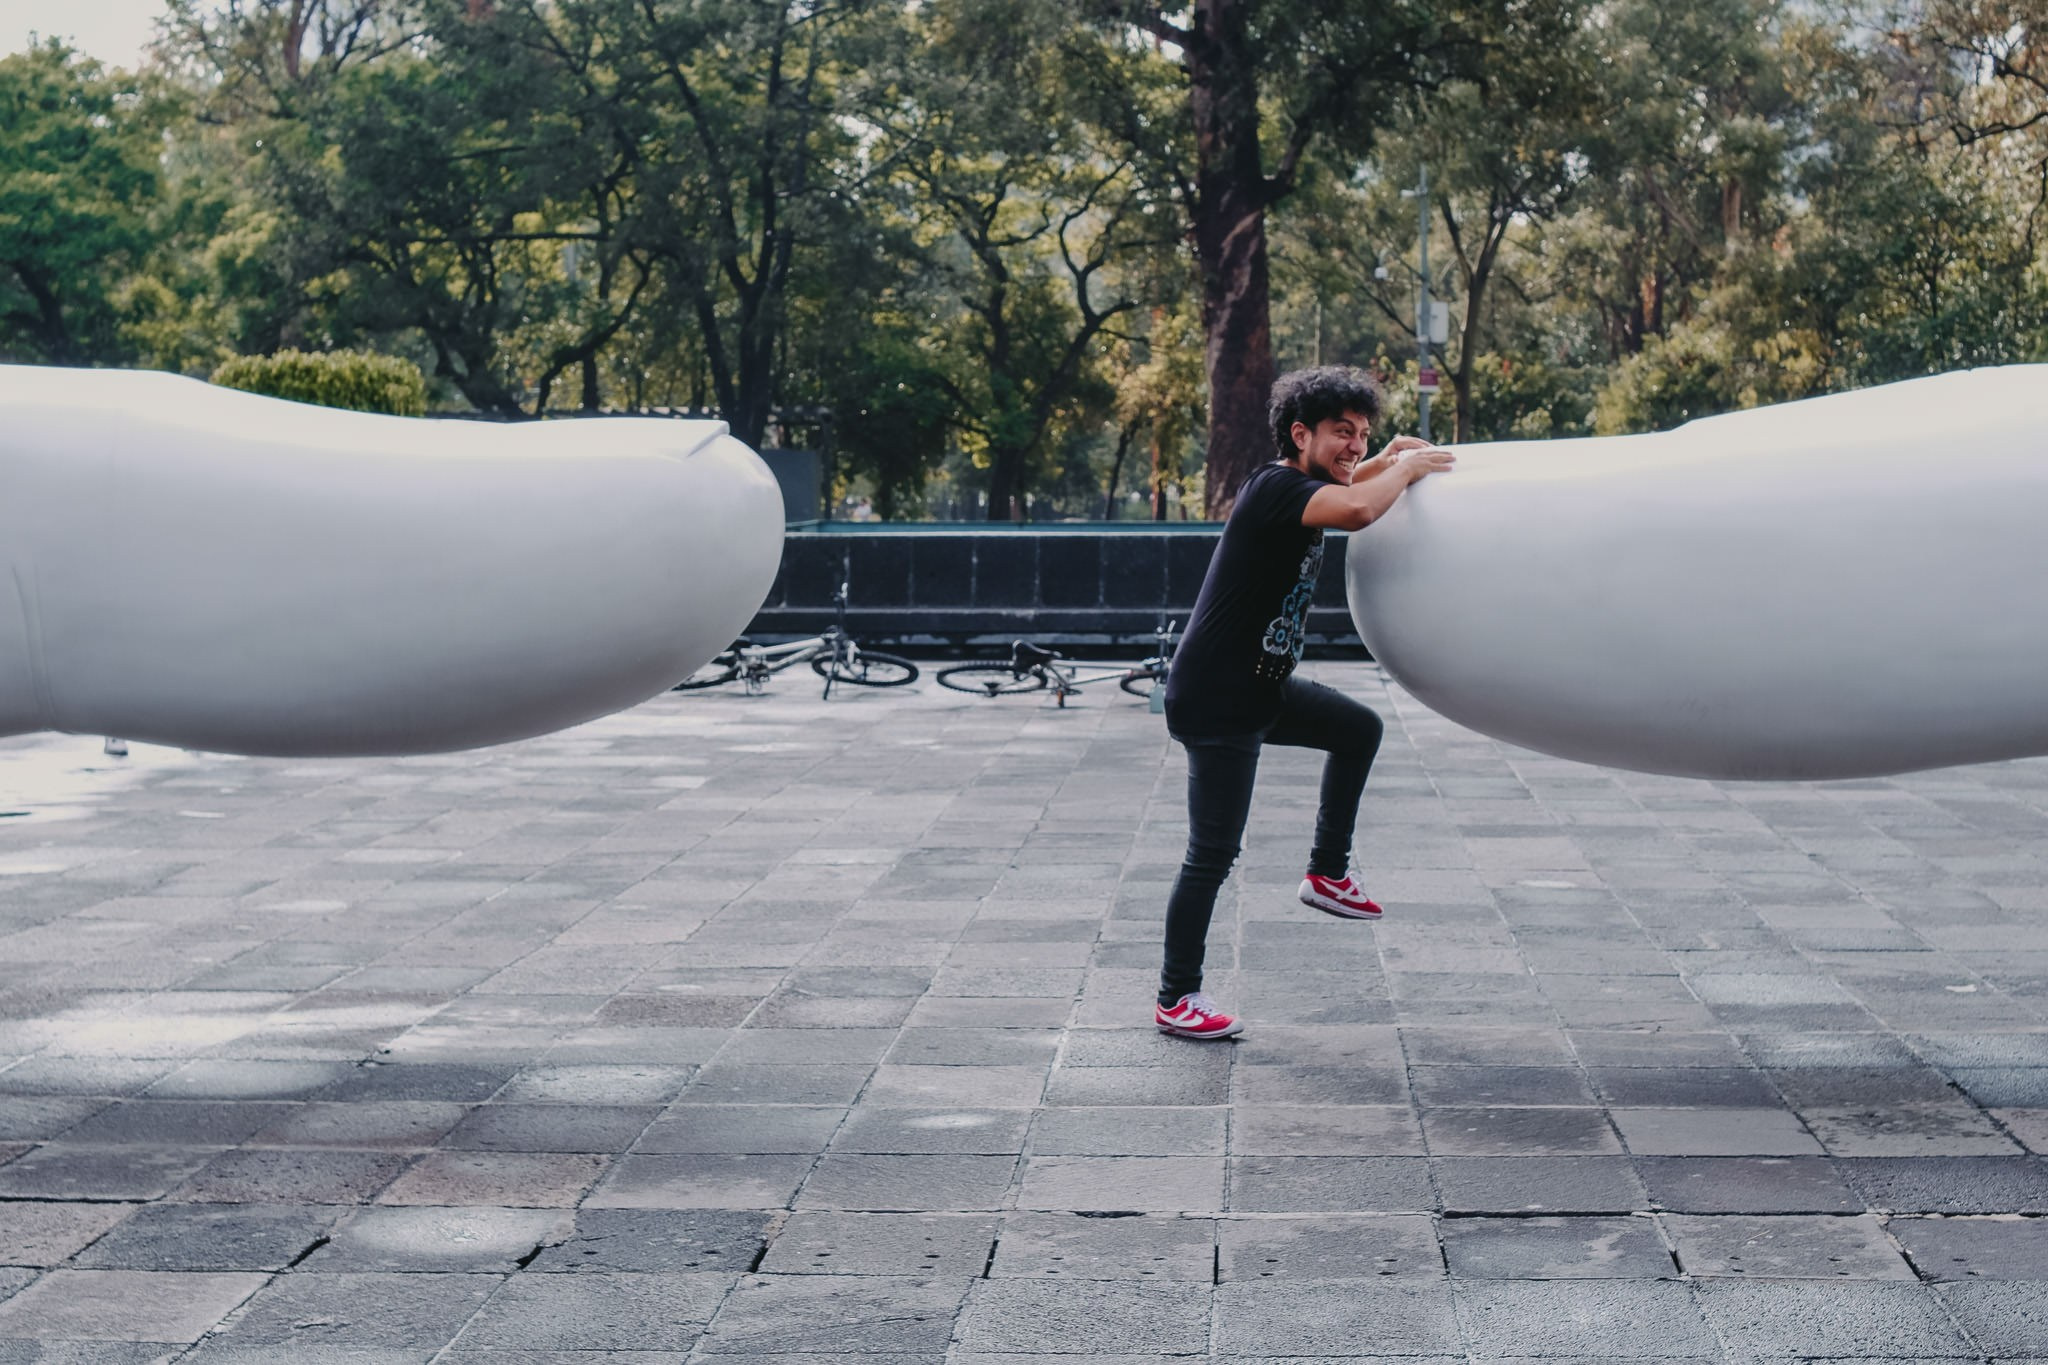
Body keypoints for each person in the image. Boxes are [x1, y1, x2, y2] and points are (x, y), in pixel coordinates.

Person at [1154, 365, 1456, 1040]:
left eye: (1363, 432)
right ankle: (1177, 996)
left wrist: (1386, 458)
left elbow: (1347, 483)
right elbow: (1356, 509)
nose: (1355, 445)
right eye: (1341, 433)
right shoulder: (1272, 487)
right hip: (1219, 697)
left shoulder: (1308, 481)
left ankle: (1326, 872)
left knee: (1359, 730)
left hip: (1261, 686)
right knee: (1212, 853)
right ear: (1300, 434)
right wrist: (1400, 472)